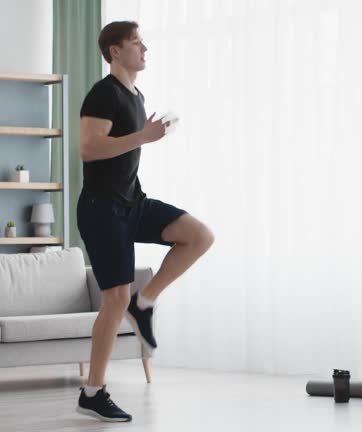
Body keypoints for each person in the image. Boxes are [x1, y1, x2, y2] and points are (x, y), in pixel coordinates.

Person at [75, 21, 214, 422]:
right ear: (115, 51)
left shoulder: (136, 94)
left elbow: (122, 149)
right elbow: (88, 149)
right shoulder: (103, 93)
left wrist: (150, 133)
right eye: (136, 43)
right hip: (103, 208)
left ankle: (146, 301)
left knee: (198, 236)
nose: (144, 48)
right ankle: (94, 391)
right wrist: (143, 137)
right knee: (113, 299)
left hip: (133, 202)